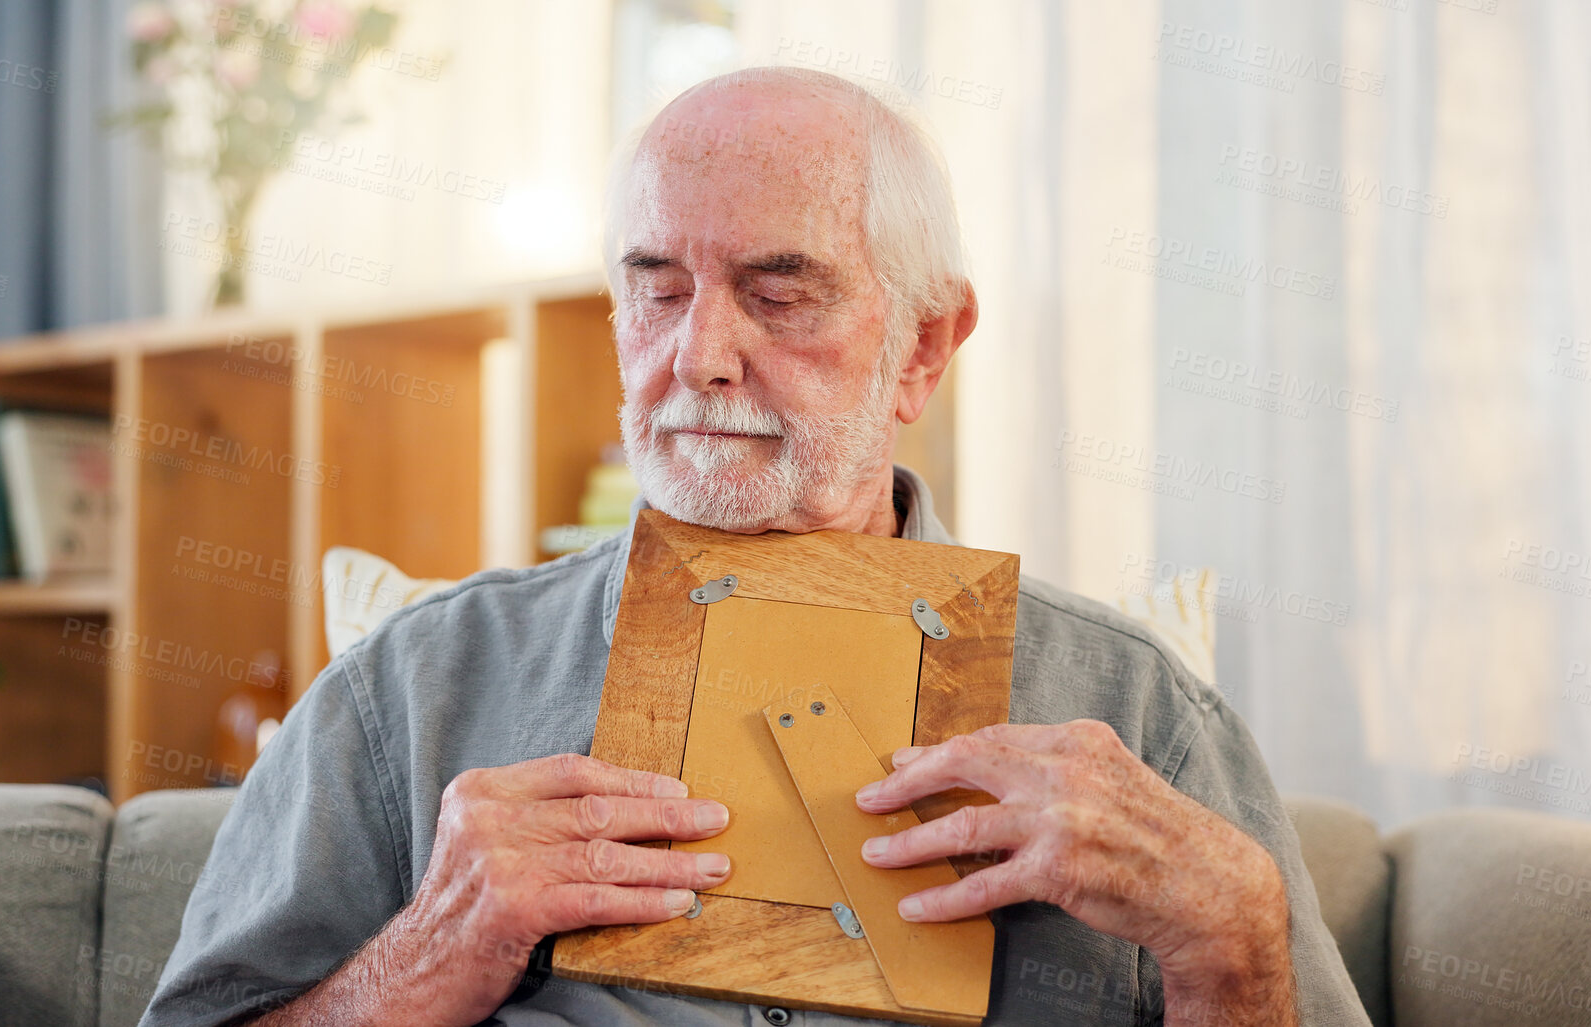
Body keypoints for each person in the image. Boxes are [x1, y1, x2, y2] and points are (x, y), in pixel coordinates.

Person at [141, 66, 1369, 1027]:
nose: (699, 356)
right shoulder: (407, 691)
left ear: (927, 348)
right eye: (656, 288)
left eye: (781, 293)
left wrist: (1235, 938)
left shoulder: (1134, 707)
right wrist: (429, 952)